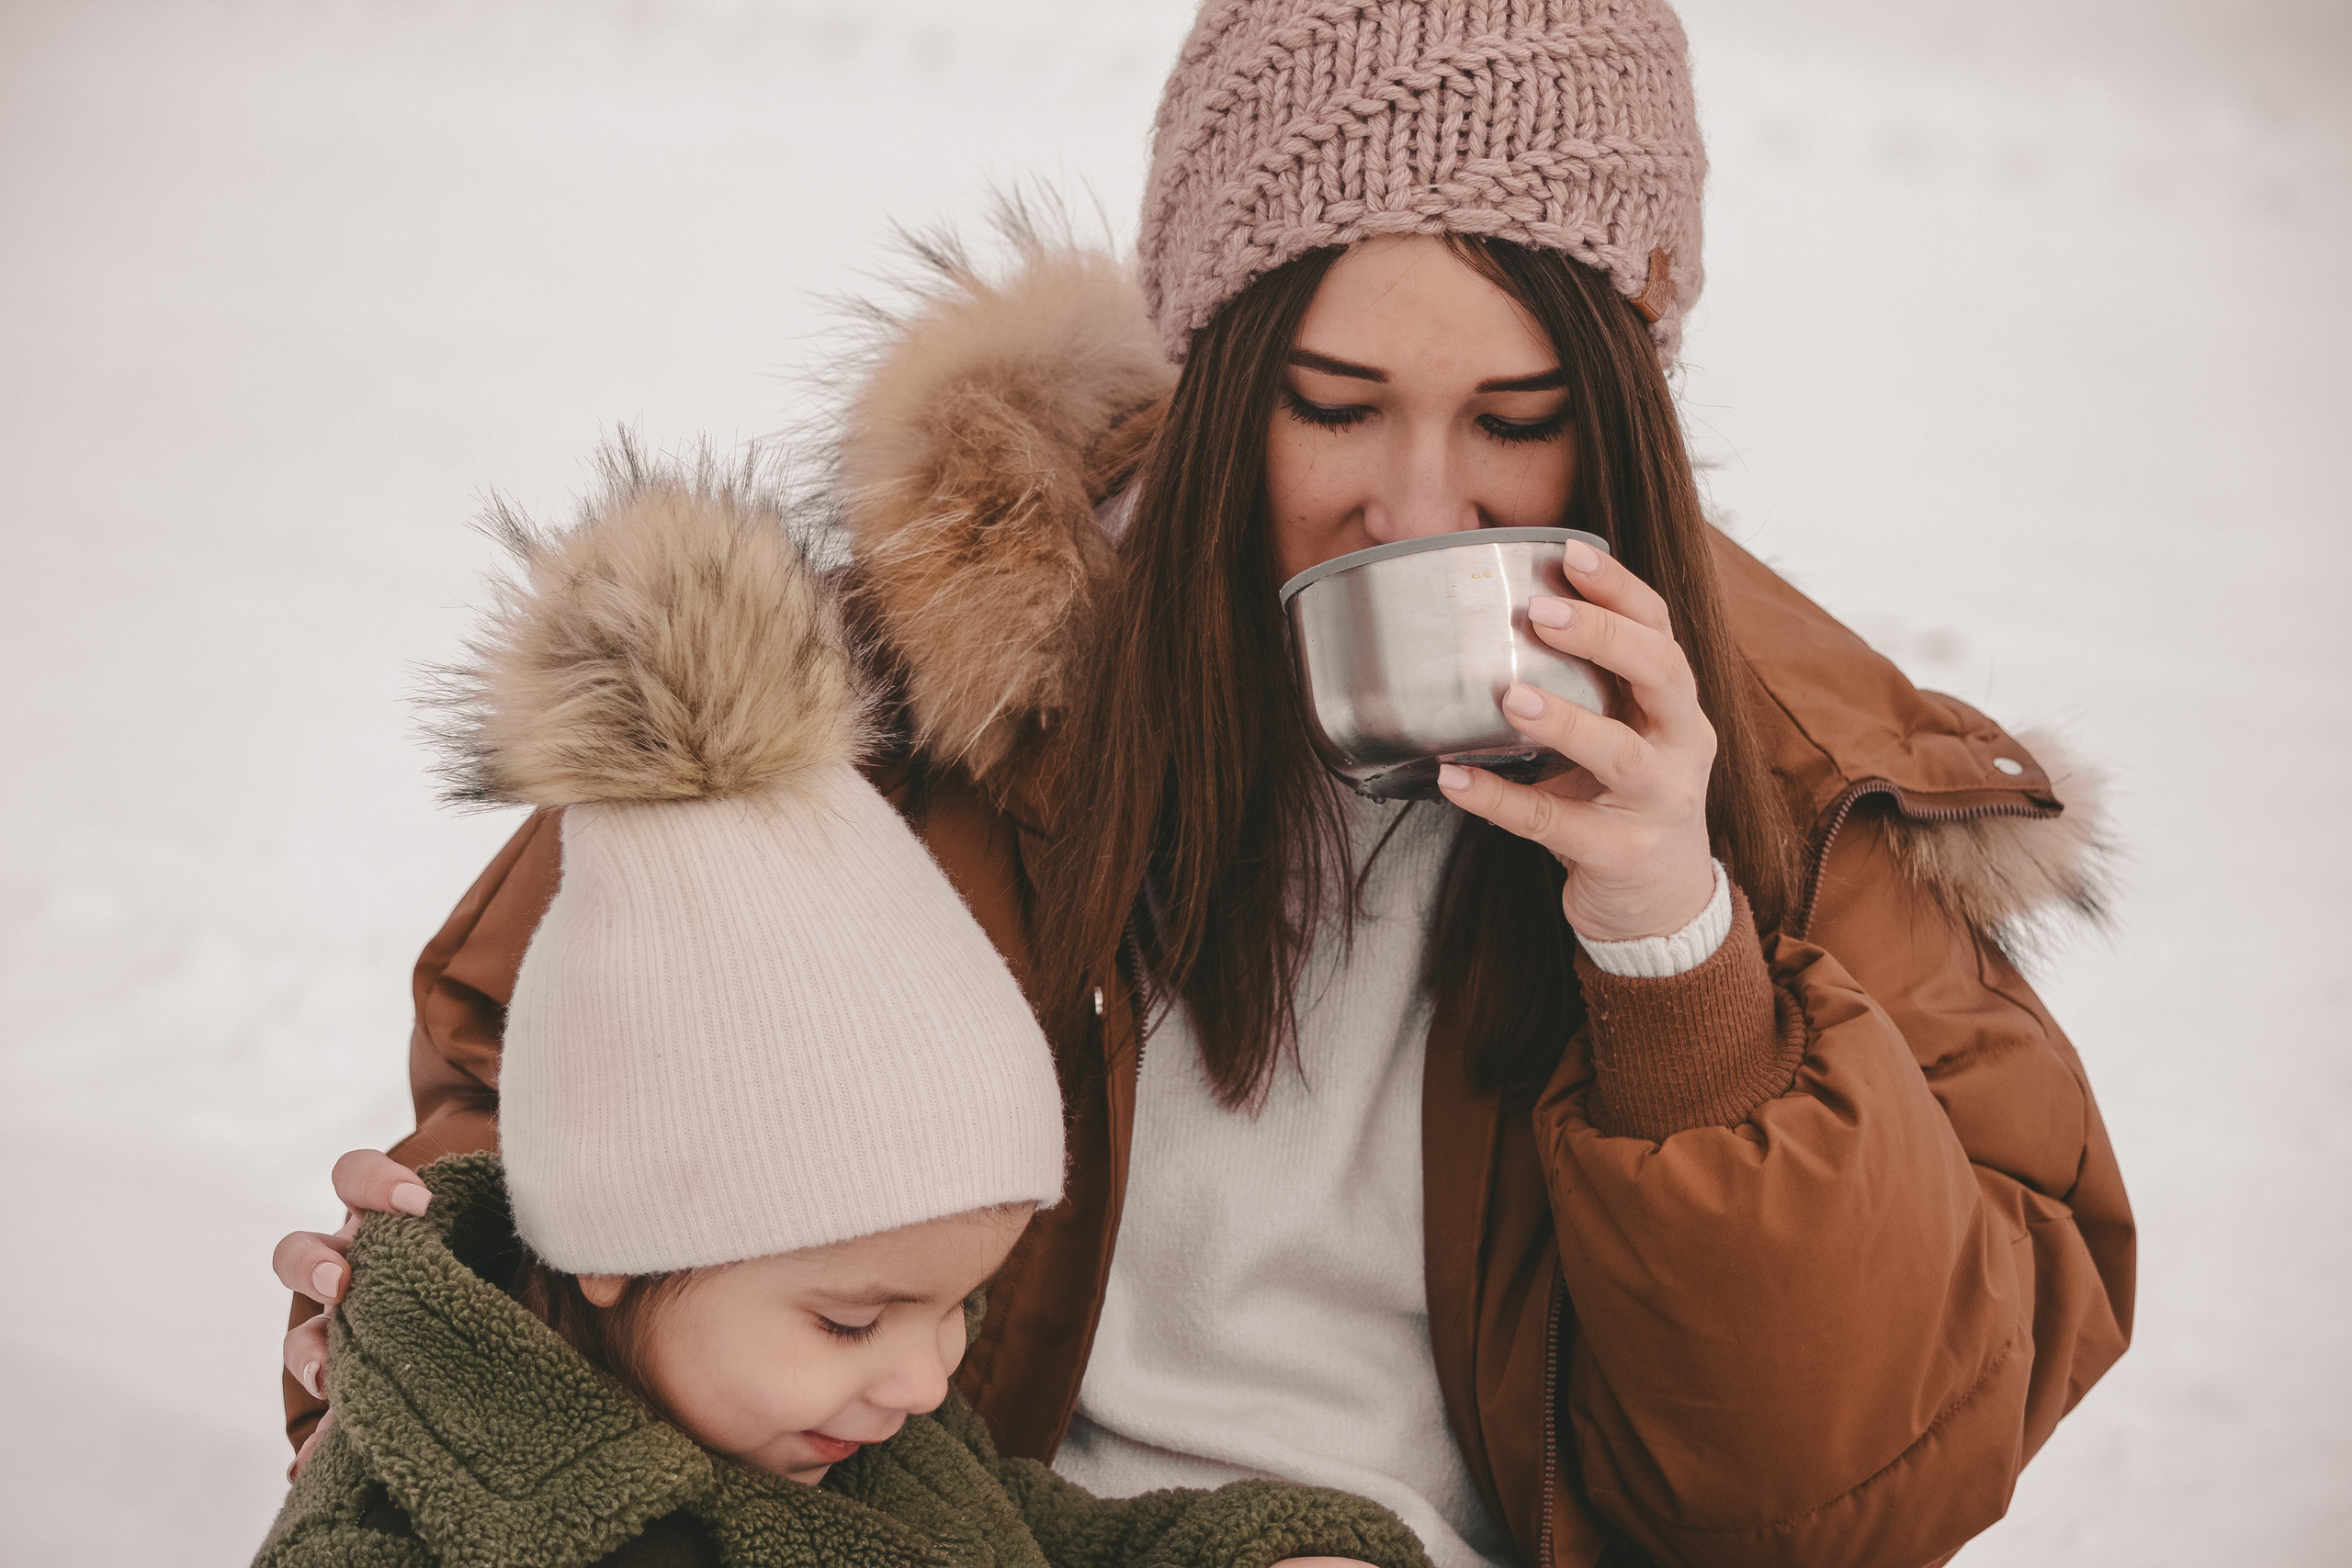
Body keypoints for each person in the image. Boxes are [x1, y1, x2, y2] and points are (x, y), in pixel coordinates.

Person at [274, 4, 2134, 1564]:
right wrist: (437, 1323)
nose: (1415, 506)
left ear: (1628, 400)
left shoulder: (1802, 783)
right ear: (1214, 366)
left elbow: (1845, 1489)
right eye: (1333, 403)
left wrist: (1674, 946)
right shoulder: (893, 693)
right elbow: (554, 1120)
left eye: (1518, 419)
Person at [255, 474, 1429, 1568]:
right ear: (614, 1246)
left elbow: (1055, 1537)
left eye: (955, 1309)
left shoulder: (874, 1451)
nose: (926, 1383)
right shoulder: (415, 1532)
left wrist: (1267, 1550)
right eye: (852, 1323)